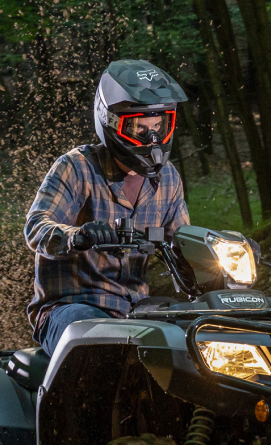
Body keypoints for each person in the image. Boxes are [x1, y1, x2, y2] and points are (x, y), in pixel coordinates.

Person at [24, 59, 189, 355]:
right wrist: (76, 236)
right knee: (98, 339)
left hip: (136, 309)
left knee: (197, 332)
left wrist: (219, 255)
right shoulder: (77, 167)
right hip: (72, 307)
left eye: (158, 126)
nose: (152, 139)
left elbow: (184, 244)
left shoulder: (168, 178)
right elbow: (37, 226)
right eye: (141, 128)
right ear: (112, 122)